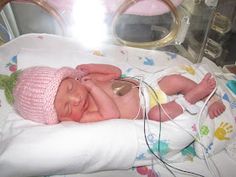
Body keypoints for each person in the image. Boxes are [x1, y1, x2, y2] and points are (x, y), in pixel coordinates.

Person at [12, 64, 225, 124]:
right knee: (157, 116)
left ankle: (209, 97)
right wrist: (93, 89)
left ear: (70, 77)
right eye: (67, 108)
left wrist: (93, 69)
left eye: (70, 89)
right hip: (149, 108)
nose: (76, 99)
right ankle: (192, 97)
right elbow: (111, 113)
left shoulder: (87, 80)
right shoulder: (85, 116)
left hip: (147, 87)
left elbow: (116, 73)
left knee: (175, 81)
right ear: (62, 119)